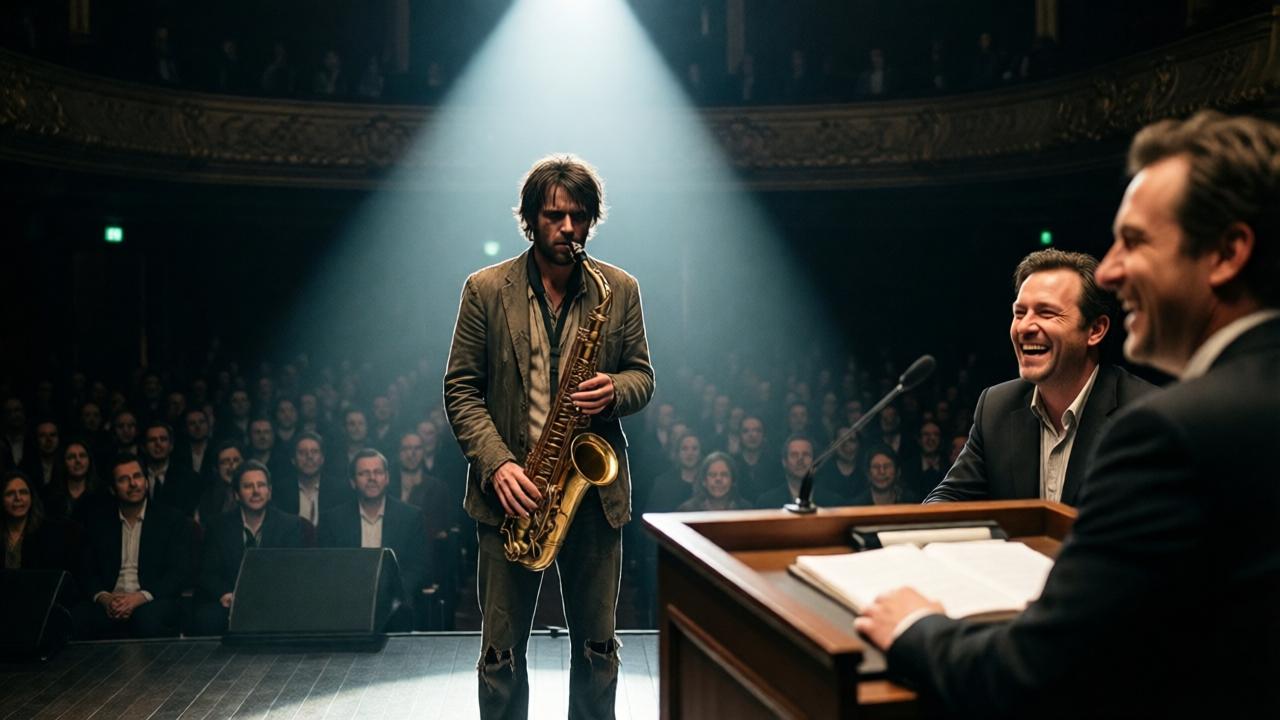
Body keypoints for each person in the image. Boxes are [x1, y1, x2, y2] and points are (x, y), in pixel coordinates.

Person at [855, 111, 1280, 716]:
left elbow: (1034, 675)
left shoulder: (1166, 429)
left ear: (1227, 253)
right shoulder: (999, 405)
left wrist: (915, 626)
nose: (1109, 269)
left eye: (1134, 241)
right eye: (1018, 310)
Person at [444, 154, 654, 720]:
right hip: (511, 494)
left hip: (589, 498)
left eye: (578, 217)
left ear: (591, 220)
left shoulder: (619, 289)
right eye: (554, 216)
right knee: (501, 656)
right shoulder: (486, 289)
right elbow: (461, 389)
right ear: (531, 219)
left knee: (598, 650)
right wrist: (497, 465)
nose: (567, 229)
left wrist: (615, 388)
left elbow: (644, 378)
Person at [925, 249, 1154, 505]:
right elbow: (947, 500)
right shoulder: (996, 407)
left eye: (1046, 313)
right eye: (1020, 313)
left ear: (1095, 330)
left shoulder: (1145, 415)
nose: (1024, 327)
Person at [73, 455, 191, 639]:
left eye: (137, 476)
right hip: (111, 598)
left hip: (151, 598)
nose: (133, 484)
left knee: (146, 620)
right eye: (123, 479)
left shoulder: (171, 520)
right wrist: (105, 598)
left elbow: (178, 573)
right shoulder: (98, 522)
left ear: (146, 482)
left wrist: (138, 598)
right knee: (79, 617)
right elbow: (86, 571)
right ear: (112, 489)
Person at [192, 460, 311, 635]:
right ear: (237, 495)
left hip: (275, 600)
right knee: (206, 619)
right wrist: (225, 593)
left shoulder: (290, 525)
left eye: (261, 485)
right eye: (248, 486)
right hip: (231, 600)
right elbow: (207, 572)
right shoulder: (218, 526)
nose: (256, 491)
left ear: (269, 492)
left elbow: (292, 571)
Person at [319, 449, 429, 628]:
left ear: (387, 478)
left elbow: (417, 566)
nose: (372, 478)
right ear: (353, 482)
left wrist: (395, 598)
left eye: (377, 472)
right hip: (345, 606)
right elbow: (328, 567)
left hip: (396, 607)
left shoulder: (410, 517)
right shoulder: (332, 520)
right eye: (364, 473)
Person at [848, 445, 921, 506]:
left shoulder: (910, 502)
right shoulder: (857, 506)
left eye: (887, 466)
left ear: (898, 472)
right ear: (868, 473)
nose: (882, 471)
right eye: (876, 466)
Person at [676, 451, 748, 512]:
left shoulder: (745, 510)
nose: (718, 479)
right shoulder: (687, 511)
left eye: (724, 474)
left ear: (733, 480)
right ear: (704, 481)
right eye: (713, 475)